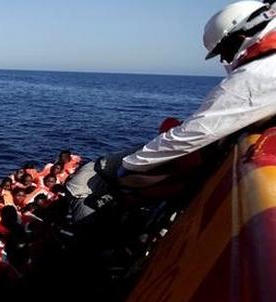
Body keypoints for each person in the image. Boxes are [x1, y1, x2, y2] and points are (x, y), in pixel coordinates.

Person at [69, 1, 276, 218]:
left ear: (240, 38)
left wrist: (130, 166)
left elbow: (197, 132)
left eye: (225, 51)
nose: (225, 59)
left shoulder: (257, 75)